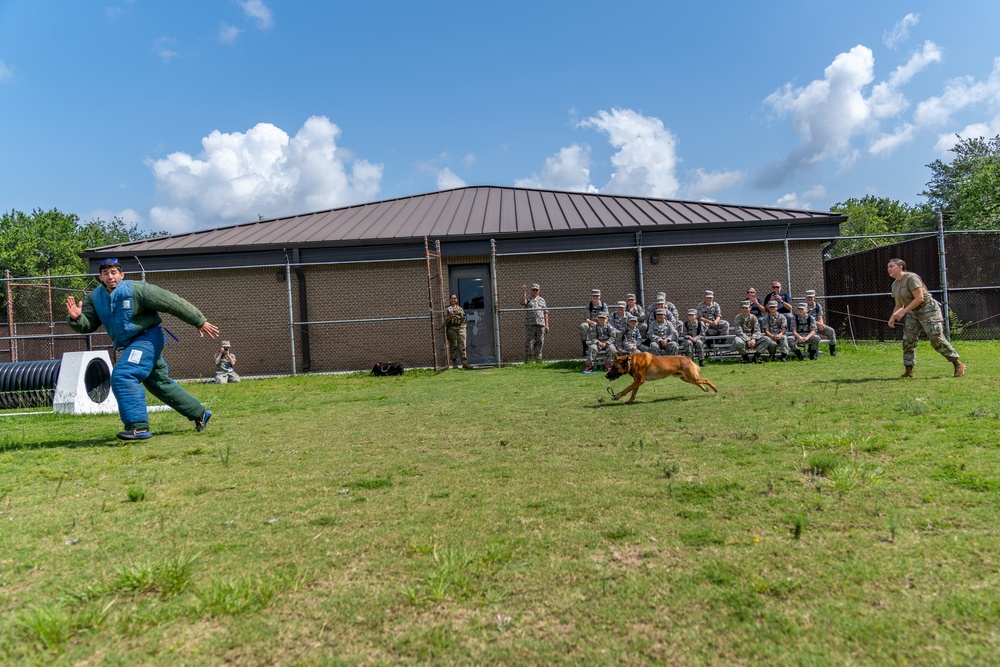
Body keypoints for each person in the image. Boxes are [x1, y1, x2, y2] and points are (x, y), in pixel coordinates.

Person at [65, 258, 218, 440]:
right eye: (106, 273)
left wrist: (198, 320)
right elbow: (87, 324)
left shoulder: (137, 289)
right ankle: (200, 414)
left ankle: (138, 427)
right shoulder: (95, 298)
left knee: (124, 375)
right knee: (159, 384)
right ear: (100, 277)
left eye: (114, 272)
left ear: (122, 275)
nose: (110, 277)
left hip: (147, 338)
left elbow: (171, 302)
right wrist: (76, 319)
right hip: (130, 345)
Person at [887, 258, 965, 378]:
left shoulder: (911, 278)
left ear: (900, 267)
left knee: (936, 338)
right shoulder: (895, 285)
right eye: (888, 267)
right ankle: (909, 371)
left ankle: (957, 363)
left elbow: (919, 298)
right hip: (913, 312)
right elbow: (899, 304)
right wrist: (892, 317)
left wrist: (903, 312)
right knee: (908, 340)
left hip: (928, 309)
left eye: (891, 266)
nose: (889, 269)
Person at [521, 283, 549, 363]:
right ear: (531, 290)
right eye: (533, 290)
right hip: (530, 323)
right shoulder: (528, 298)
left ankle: (538, 359)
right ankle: (528, 360)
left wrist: (547, 325)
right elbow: (523, 302)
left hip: (540, 324)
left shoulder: (542, 300)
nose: (535, 291)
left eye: (536, 290)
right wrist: (524, 292)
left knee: (540, 341)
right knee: (529, 341)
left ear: (539, 291)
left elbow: (546, 312)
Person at [805, 290, 837, 356]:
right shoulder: (804, 307)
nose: (809, 299)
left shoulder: (818, 306)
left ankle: (832, 350)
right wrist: (818, 323)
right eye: (808, 297)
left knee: (831, 331)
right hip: (808, 327)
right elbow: (806, 319)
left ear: (814, 297)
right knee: (813, 335)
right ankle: (811, 349)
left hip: (817, 325)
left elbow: (820, 316)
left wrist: (821, 324)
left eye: (811, 297)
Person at [578, 289, 609, 356]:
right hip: (591, 323)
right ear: (591, 297)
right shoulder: (589, 305)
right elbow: (586, 319)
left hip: (602, 323)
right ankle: (585, 346)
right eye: (594, 296)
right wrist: (593, 323)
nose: (595, 297)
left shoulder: (603, 305)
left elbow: (607, 317)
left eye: (597, 296)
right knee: (583, 326)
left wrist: (601, 323)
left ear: (600, 296)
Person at [445, 294, 472, 369]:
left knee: (462, 345)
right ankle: (454, 364)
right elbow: (445, 321)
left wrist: (463, 326)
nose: (453, 300)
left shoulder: (460, 308)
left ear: (456, 300)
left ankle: (465, 363)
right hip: (452, 329)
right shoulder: (448, 309)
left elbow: (463, 318)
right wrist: (450, 317)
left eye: (454, 298)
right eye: (452, 298)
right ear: (449, 299)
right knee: (453, 346)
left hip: (460, 328)